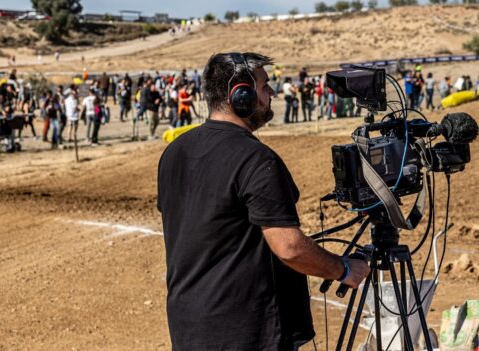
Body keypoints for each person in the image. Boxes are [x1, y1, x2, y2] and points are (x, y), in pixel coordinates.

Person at [157, 52, 369, 351]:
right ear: (240, 95)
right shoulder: (256, 159)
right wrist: (344, 269)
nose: (272, 93)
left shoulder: (174, 152)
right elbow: (290, 248)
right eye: (264, 86)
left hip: (190, 323)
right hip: (246, 330)